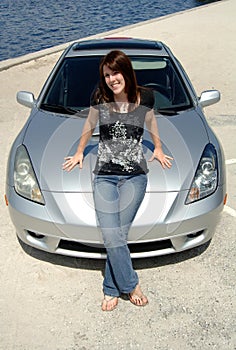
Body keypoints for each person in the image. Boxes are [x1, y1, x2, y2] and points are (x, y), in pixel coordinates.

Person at [63, 50, 173, 311]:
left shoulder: (145, 96)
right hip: (105, 176)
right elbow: (89, 124)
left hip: (135, 175)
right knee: (113, 234)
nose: (112, 79)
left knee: (117, 234)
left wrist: (157, 147)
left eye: (116, 72)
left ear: (126, 71)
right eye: (107, 75)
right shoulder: (100, 97)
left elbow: (151, 120)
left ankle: (110, 288)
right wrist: (79, 152)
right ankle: (131, 284)